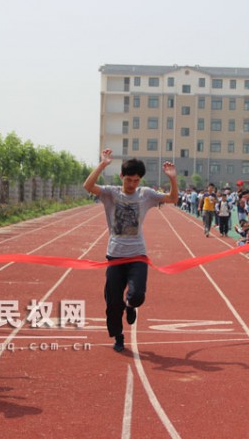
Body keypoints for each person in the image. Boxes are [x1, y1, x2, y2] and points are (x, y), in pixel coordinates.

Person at [83, 149, 178, 352]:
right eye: (128, 180)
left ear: (140, 180)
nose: (132, 184)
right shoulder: (111, 193)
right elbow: (88, 186)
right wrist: (102, 164)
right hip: (115, 255)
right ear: (121, 177)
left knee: (137, 295)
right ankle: (118, 335)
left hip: (138, 255)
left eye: (136, 180)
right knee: (112, 302)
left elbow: (172, 198)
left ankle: (131, 305)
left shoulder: (146, 195)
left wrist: (172, 179)